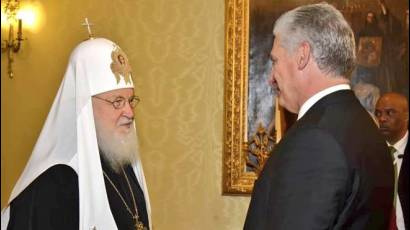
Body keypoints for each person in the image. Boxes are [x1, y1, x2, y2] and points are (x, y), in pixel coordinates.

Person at [244, 3, 394, 229]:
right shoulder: (368, 131)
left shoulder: (315, 140)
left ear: (302, 55)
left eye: (275, 61)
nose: (271, 78)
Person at [1, 38, 152, 230]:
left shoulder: (121, 163)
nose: (130, 113)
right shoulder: (55, 181)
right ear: (85, 106)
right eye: (117, 102)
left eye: (131, 100)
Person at [375, 92, 409, 230]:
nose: (382, 118)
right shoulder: (368, 153)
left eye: (390, 113)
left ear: (407, 116)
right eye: (378, 113)